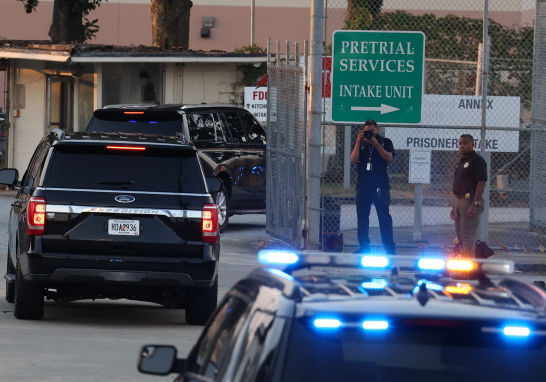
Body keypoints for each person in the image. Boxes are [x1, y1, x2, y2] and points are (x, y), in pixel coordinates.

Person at [350, 119, 396, 254]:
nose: (370, 133)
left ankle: (389, 248)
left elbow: (389, 158)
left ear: (377, 130)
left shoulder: (385, 142)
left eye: (372, 131)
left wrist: (376, 144)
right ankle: (364, 247)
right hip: (363, 185)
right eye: (367, 131)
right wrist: (358, 141)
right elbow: (353, 160)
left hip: (380, 185)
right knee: (362, 217)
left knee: (384, 216)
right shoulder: (361, 143)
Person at [450, 134, 487, 257]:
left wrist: (474, 204)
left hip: (469, 200)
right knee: (459, 236)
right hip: (459, 201)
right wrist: (454, 206)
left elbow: (481, 183)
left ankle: (469, 266)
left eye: (465, 143)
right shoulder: (461, 161)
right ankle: (462, 264)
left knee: (467, 236)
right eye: (460, 143)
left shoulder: (477, 160)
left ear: (472, 144)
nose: (462, 146)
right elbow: (460, 186)